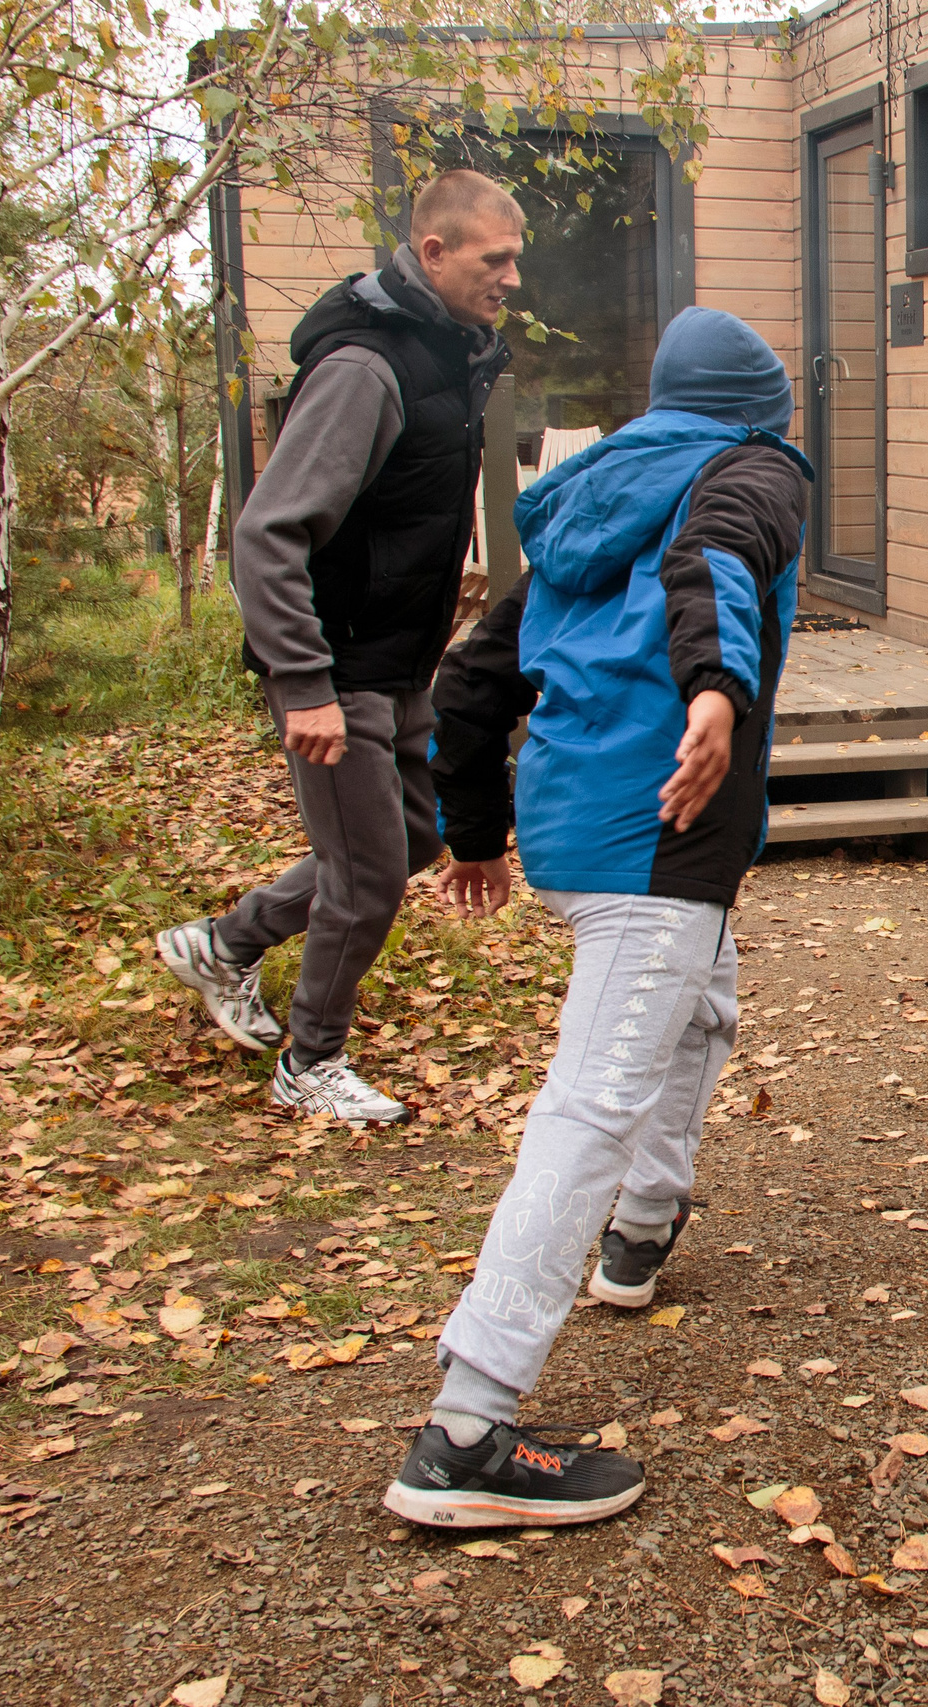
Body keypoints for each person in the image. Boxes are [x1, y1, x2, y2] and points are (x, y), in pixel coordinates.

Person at [379, 307, 809, 1529]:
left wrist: (473, 828)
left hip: (577, 826)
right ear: (756, 410)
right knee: (591, 1102)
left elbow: (476, 675)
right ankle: (465, 1431)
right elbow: (716, 562)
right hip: (660, 826)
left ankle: (638, 1233)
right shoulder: (748, 470)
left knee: (701, 1010)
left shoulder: (585, 492)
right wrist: (719, 692)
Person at [154, 170, 524, 1125]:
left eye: (516, 258)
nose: (512, 278)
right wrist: (303, 680)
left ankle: (228, 941)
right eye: (496, 259)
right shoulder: (369, 367)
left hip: (399, 659)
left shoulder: (450, 352)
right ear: (434, 253)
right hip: (339, 663)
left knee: (411, 835)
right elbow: (266, 531)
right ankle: (309, 1060)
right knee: (363, 879)